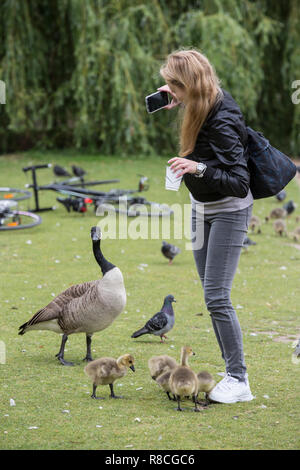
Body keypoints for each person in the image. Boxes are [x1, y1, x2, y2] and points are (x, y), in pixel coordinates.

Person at [159, 49, 254, 404]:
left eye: (174, 85)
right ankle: (234, 374)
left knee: (217, 296)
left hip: (228, 210)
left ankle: (238, 379)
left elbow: (239, 181)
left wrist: (196, 168)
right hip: (201, 209)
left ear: (191, 85)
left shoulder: (222, 118)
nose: (170, 89)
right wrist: (177, 99)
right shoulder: (201, 100)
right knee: (211, 295)